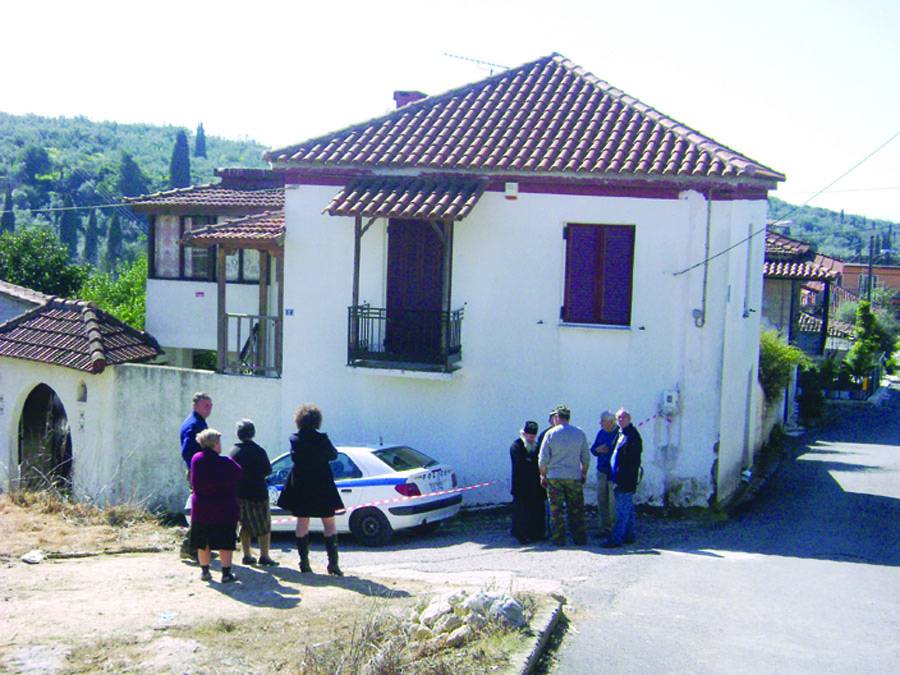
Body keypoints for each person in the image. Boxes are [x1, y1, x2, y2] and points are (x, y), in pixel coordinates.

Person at [277, 404, 345, 576]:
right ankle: (333, 564)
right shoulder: (321, 438)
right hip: (322, 482)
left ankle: (304, 563)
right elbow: (333, 455)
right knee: (329, 523)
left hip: (301, 484)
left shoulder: (294, 439)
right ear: (317, 420)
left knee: (302, 521)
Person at [190, 428, 242, 582]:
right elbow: (239, 474)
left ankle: (205, 571)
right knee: (225, 541)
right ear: (214, 444)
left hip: (201, 507)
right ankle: (226, 573)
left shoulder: (196, 459)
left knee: (203, 541)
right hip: (223, 507)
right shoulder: (225, 462)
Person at [538, 405, 590, 546]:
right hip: (573, 476)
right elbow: (586, 457)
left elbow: (542, 459)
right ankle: (579, 538)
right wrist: (583, 473)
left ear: (557, 418)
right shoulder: (579, 433)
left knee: (556, 511)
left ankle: (558, 539)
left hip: (554, 477)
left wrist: (543, 475)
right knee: (576, 509)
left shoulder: (550, 434)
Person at [230, 419, 277, 567]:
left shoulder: (234, 452)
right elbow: (268, 470)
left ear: (238, 434)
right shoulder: (259, 451)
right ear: (253, 433)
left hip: (240, 493)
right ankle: (264, 555)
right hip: (258, 492)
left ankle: (247, 555)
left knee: (244, 524)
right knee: (264, 525)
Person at [179, 392, 212, 559]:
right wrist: (196, 468)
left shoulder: (197, 422)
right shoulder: (194, 425)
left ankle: (199, 546)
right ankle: (190, 546)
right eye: (206, 406)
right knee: (202, 511)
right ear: (196, 406)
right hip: (198, 473)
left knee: (203, 510)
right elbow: (187, 452)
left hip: (199, 471)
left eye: (210, 406)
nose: (209, 409)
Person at [603, 408, 643, 548]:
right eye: (619, 418)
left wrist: (624, 476)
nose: (621, 420)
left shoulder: (632, 435)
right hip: (618, 477)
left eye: (623, 417)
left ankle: (616, 539)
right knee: (627, 508)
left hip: (626, 478)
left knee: (621, 510)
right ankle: (628, 535)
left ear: (629, 419)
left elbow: (633, 460)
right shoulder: (620, 434)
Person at [509, 420, 546, 544]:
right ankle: (521, 535)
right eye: (529, 436)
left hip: (536, 486)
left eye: (533, 437)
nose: (531, 439)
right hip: (522, 486)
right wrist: (530, 462)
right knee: (522, 512)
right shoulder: (516, 446)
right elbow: (521, 464)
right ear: (524, 434)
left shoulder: (537, 446)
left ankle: (537, 534)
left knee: (537, 510)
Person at [590, 411, 618, 539]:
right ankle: (604, 528)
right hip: (601, 471)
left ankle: (614, 529)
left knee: (612, 503)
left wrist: (610, 450)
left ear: (610, 422)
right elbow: (593, 449)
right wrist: (598, 450)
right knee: (602, 501)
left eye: (602, 421)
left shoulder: (618, 434)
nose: (600, 423)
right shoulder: (601, 433)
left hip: (613, 473)